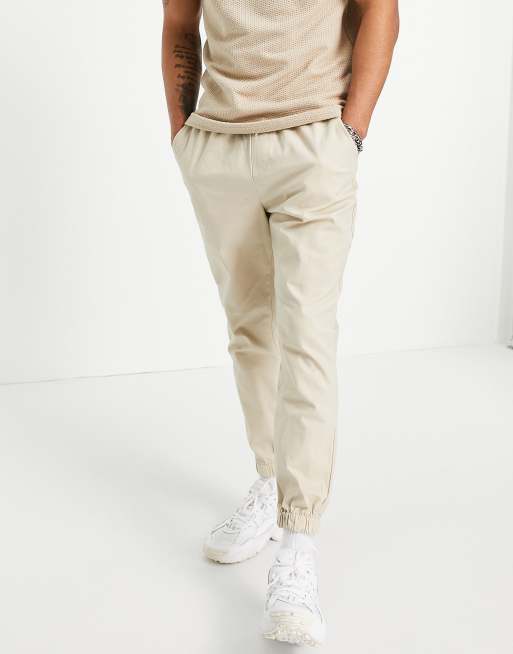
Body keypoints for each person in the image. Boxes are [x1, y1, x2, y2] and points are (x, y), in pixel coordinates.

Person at [162, 0, 399, 645]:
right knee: (249, 333)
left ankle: (298, 544)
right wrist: (183, 134)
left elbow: (380, 10)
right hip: (218, 147)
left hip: (313, 141)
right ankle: (269, 482)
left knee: (307, 338)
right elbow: (180, 23)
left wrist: (351, 133)